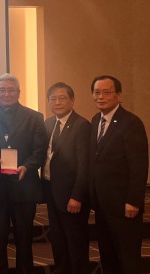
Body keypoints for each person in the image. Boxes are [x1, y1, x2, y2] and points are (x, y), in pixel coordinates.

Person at [0, 73, 47, 274]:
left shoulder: (35, 117)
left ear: (19, 92)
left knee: (24, 239)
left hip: (24, 187)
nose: (6, 94)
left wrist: (27, 166)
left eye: (11, 90)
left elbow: (39, 150)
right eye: (2, 90)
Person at [89, 75, 148, 274]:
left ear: (118, 95)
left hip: (124, 205)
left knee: (128, 258)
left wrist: (133, 201)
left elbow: (138, 166)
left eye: (107, 92)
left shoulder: (131, 123)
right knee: (108, 256)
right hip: (102, 203)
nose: (100, 97)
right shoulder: (96, 120)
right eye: (97, 92)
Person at [42, 82, 91, 274]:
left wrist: (77, 196)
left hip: (72, 195)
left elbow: (85, 165)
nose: (57, 102)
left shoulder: (82, 126)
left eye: (62, 98)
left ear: (72, 100)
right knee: (58, 239)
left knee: (75, 241)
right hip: (51, 191)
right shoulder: (48, 124)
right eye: (53, 98)